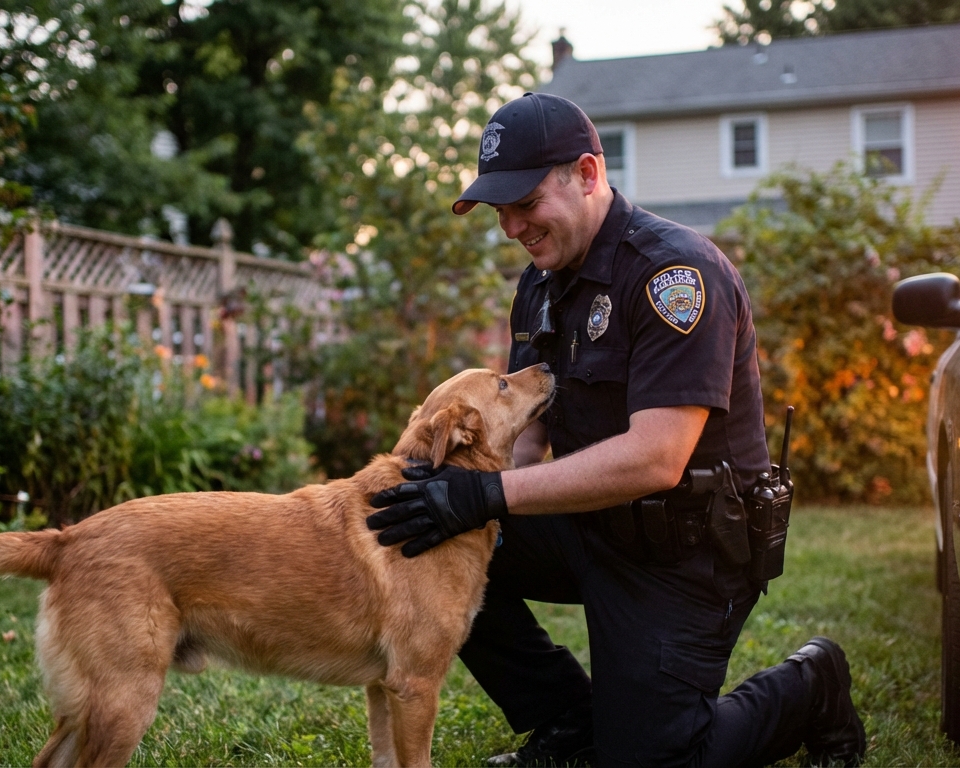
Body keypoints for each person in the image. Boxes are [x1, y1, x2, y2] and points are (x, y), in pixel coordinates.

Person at [365, 92, 865, 767]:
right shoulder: (539, 285)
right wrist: (459, 494)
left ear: (588, 174)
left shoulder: (674, 275)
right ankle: (568, 720)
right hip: (589, 524)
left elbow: (658, 456)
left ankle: (812, 684)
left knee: (657, 760)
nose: (512, 226)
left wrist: (488, 500)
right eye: (500, 211)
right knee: (427, 539)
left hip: (684, 551)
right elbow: (530, 435)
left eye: (525, 202)